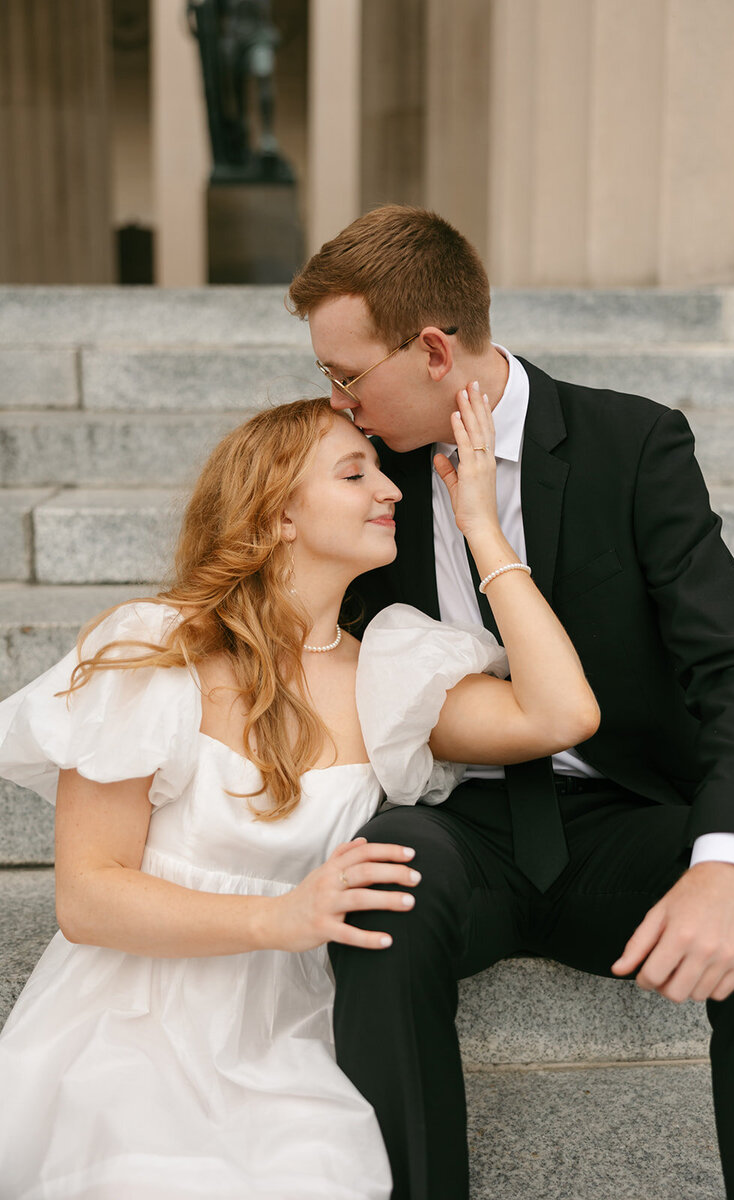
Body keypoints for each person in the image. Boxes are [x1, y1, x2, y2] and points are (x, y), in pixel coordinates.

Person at [287, 204, 734, 1200]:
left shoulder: (629, 444)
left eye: (345, 376)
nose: (336, 403)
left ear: (433, 350)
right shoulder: (352, 469)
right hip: (453, 821)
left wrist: (727, 867)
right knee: (377, 889)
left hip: (617, 816)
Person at [0, 393, 598, 1199]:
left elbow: (561, 714)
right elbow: (87, 897)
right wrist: (276, 918)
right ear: (279, 515)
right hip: (137, 1015)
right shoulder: (154, 650)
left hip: (298, 1022)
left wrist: (483, 531)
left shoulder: (391, 671)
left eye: (382, 471)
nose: (391, 489)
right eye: (355, 473)